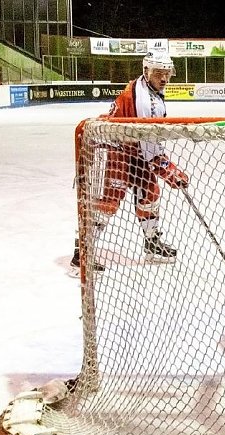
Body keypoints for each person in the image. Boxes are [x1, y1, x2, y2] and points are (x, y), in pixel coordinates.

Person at [70, 52, 189, 273]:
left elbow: (150, 142)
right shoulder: (143, 101)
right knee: (108, 204)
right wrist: (168, 171)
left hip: (137, 152)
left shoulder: (150, 91)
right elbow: (150, 148)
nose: (164, 79)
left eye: (167, 74)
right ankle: (82, 253)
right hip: (122, 153)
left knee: (150, 194)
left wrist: (164, 167)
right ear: (146, 72)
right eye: (159, 74)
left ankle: (151, 243)